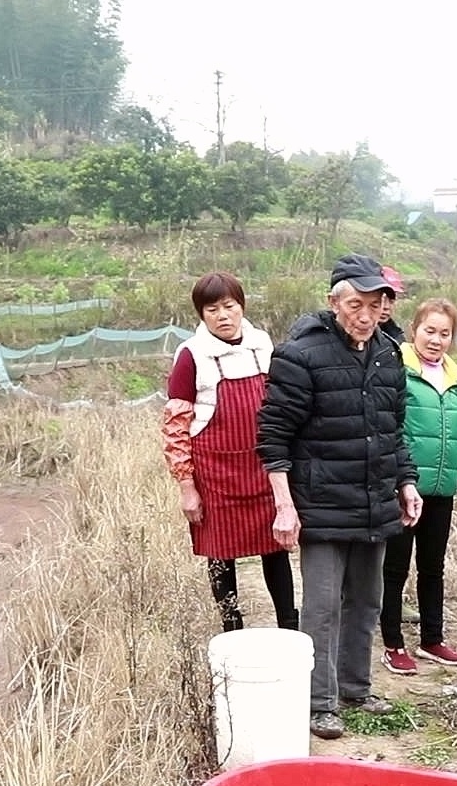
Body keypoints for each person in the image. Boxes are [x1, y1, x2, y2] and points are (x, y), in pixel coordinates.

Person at [257, 253, 422, 740]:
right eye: (355, 304)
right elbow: (273, 436)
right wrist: (285, 504)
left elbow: (394, 430)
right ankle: (319, 702)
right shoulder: (301, 354)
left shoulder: (390, 353)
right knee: (323, 605)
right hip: (322, 501)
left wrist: (406, 482)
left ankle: (355, 686)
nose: (366, 315)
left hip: (373, 499)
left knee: (367, 600)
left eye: (375, 305)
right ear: (333, 302)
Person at [161, 271, 299, 634]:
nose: (223, 316)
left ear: (241, 306)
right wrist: (186, 486)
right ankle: (232, 631)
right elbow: (175, 426)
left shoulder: (262, 345)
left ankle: (289, 625)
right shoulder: (191, 356)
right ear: (201, 315)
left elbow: (280, 403)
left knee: (275, 548)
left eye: (229, 306)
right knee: (221, 554)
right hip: (215, 473)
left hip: (261, 467)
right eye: (212, 309)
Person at [380, 298, 457, 674]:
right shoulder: (397, 369)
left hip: (441, 491)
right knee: (394, 569)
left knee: (433, 567)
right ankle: (392, 643)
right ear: (414, 331)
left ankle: (432, 639)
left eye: (445, 333)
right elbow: (390, 429)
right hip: (404, 489)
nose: (436, 340)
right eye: (430, 331)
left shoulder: (456, 380)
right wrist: (398, 479)